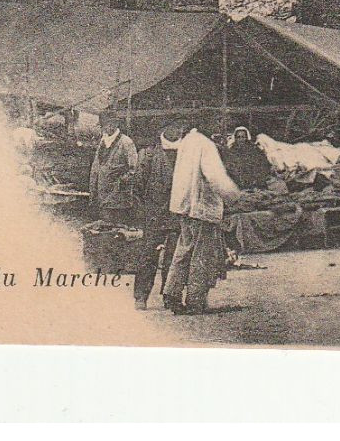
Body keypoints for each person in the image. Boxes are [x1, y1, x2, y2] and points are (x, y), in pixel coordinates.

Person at [164, 124, 242, 315]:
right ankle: (195, 300)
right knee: (202, 256)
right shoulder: (206, 145)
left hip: (184, 207)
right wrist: (235, 196)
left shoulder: (187, 142)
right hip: (202, 208)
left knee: (183, 251)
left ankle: (171, 293)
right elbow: (215, 176)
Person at [132, 121, 184, 309]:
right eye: (172, 126)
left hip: (179, 214)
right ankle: (141, 296)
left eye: (179, 126)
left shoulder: (187, 153)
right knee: (148, 256)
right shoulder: (148, 154)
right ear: (163, 129)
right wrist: (146, 211)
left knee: (175, 258)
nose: (177, 130)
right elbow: (137, 187)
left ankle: (171, 296)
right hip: (154, 215)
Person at [88, 110, 138, 225]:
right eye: (106, 124)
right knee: (105, 226)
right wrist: (93, 190)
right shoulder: (103, 142)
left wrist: (120, 182)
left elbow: (133, 169)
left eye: (112, 123)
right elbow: (96, 167)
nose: (109, 127)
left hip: (119, 198)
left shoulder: (126, 142)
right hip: (103, 195)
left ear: (117, 124)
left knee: (118, 228)